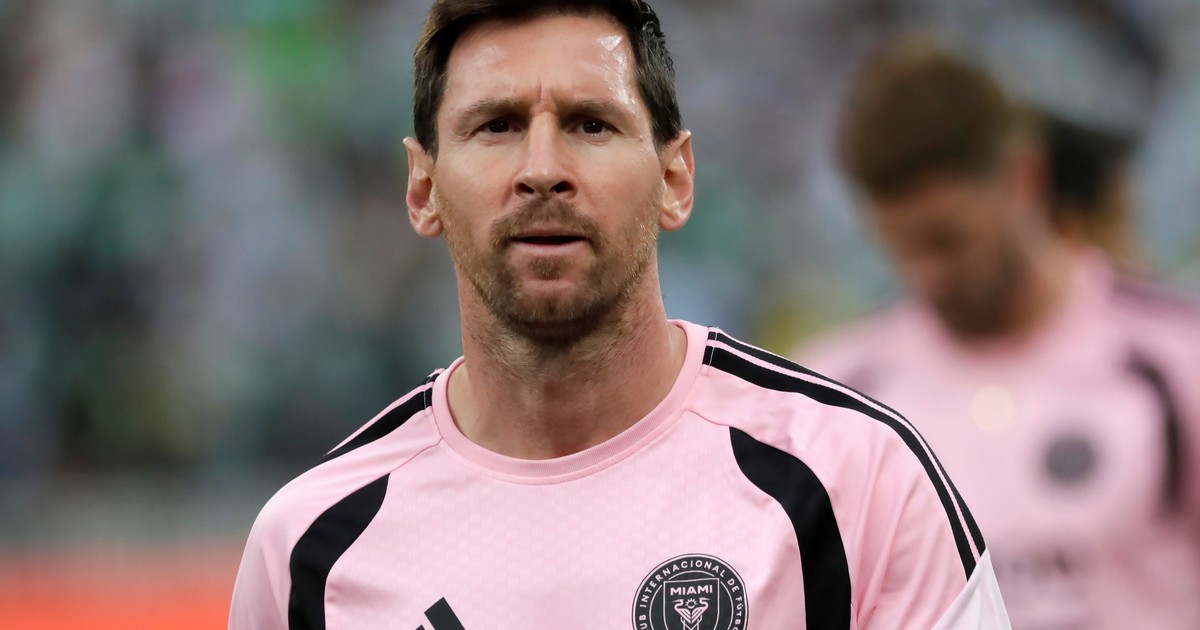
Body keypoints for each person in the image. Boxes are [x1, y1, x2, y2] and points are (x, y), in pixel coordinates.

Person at [229, 3, 1008, 628]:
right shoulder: (311, 546)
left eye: (590, 124)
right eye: (497, 125)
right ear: (423, 188)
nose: (542, 171)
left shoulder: (855, 481)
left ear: (675, 178)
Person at [795, 36, 1200, 629]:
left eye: (948, 240)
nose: (928, 273)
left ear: (1024, 177)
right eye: (902, 248)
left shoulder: (1176, 356)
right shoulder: (836, 396)